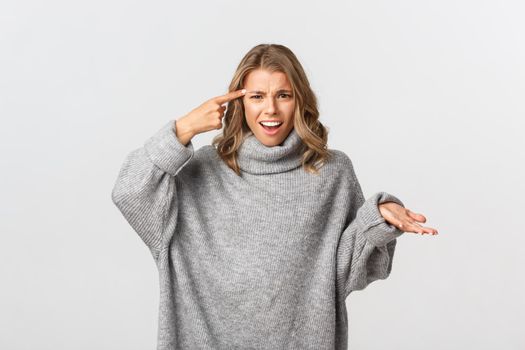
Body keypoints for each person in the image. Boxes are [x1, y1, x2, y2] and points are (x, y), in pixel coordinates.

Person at [111, 43, 438, 350]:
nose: (271, 109)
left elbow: (349, 272)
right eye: (256, 96)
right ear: (239, 102)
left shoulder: (330, 172)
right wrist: (182, 130)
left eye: (283, 95)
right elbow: (129, 191)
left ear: (300, 100)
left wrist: (378, 217)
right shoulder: (200, 171)